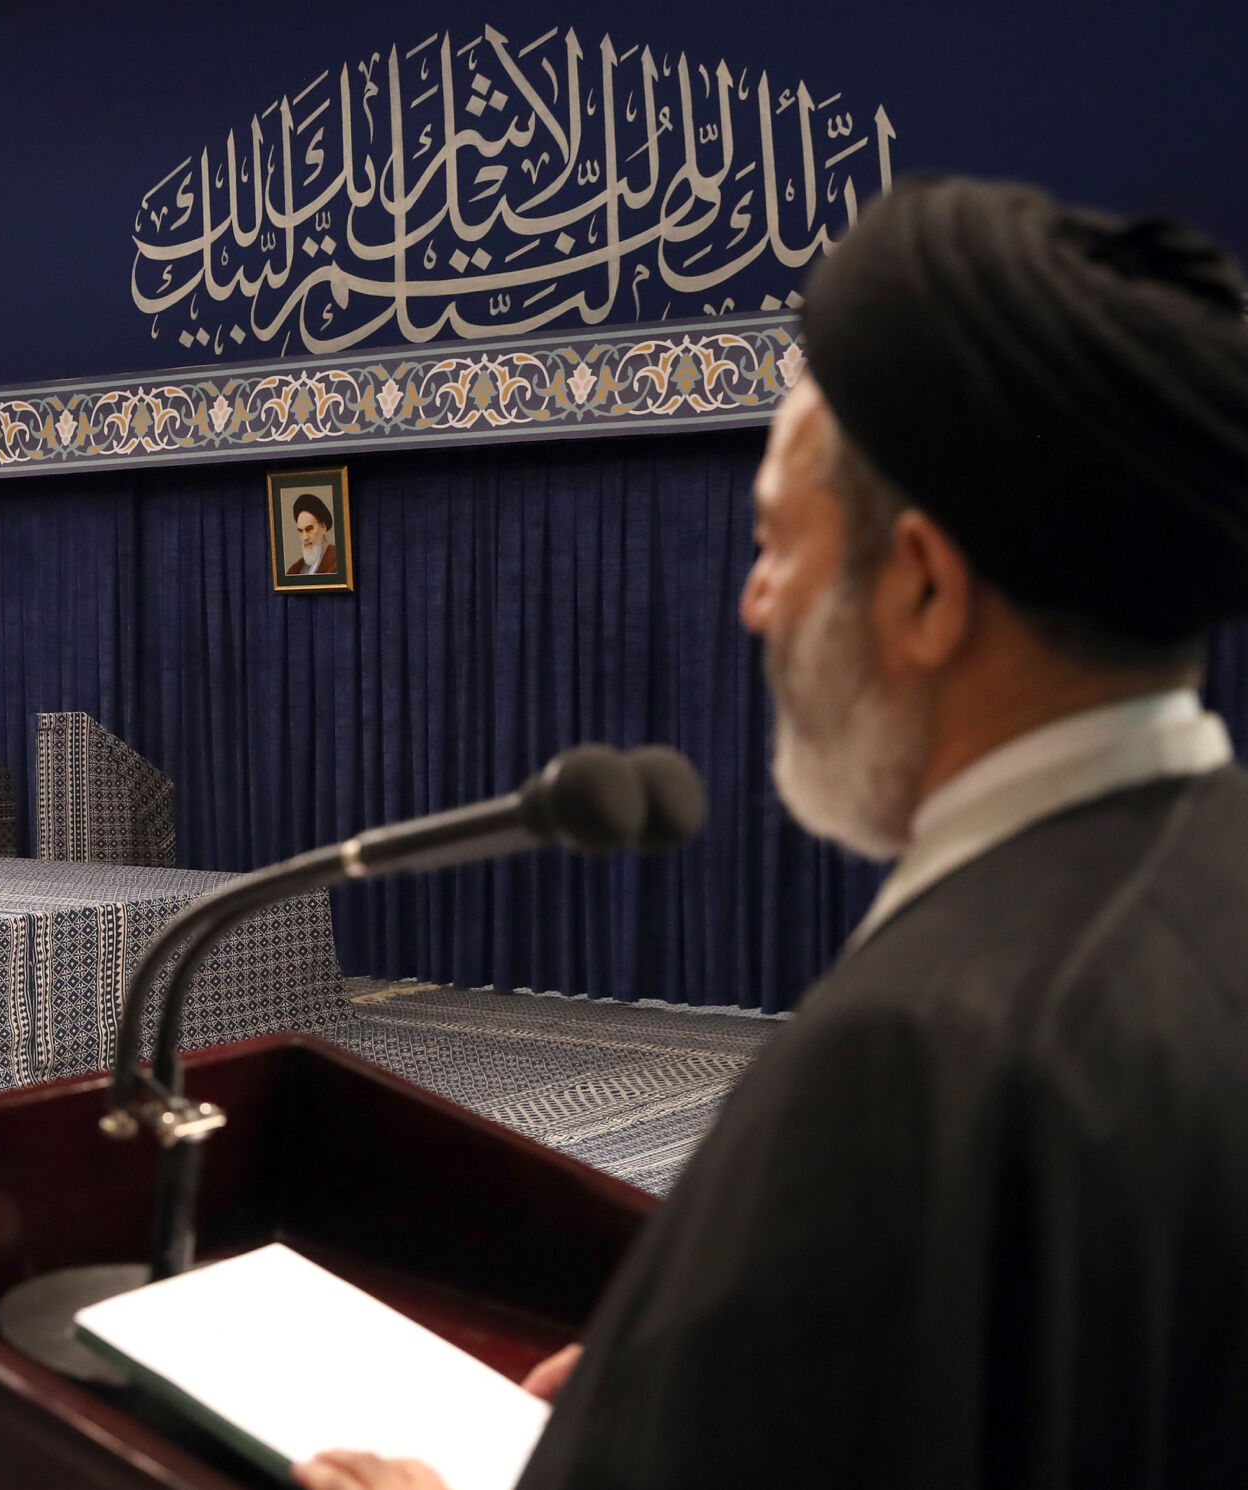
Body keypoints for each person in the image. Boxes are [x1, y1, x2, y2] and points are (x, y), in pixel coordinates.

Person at [297, 176, 1248, 1490]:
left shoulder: (917, 1048)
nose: (752, 602)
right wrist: (695, 1380)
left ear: (923, 587)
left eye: (775, 543)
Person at [288, 492, 339, 575]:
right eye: (301, 531)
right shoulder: (295, 569)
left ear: (323, 528)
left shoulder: (338, 560)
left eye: (309, 529)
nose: (304, 537)